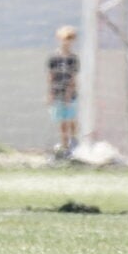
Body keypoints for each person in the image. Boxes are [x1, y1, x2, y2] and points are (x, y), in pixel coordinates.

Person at [47, 25, 80, 158]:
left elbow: (73, 77)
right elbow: (51, 76)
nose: (67, 42)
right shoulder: (54, 58)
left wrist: (69, 93)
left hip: (69, 94)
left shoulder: (73, 58)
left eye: (70, 39)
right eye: (65, 38)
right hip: (57, 92)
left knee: (71, 118)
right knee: (61, 120)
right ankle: (65, 145)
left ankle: (73, 141)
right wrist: (50, 93)